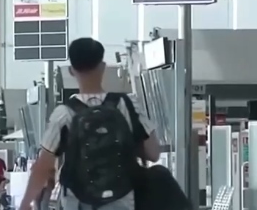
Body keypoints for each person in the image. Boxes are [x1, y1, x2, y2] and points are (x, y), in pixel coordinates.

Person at [17, 38, 160, 210]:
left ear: (71, 71)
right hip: (122, 201)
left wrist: (25, 204)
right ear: (103, 66)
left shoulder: (64, 114)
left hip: (78, 203)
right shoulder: (127, 104)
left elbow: (43, 167)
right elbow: (153, 153)